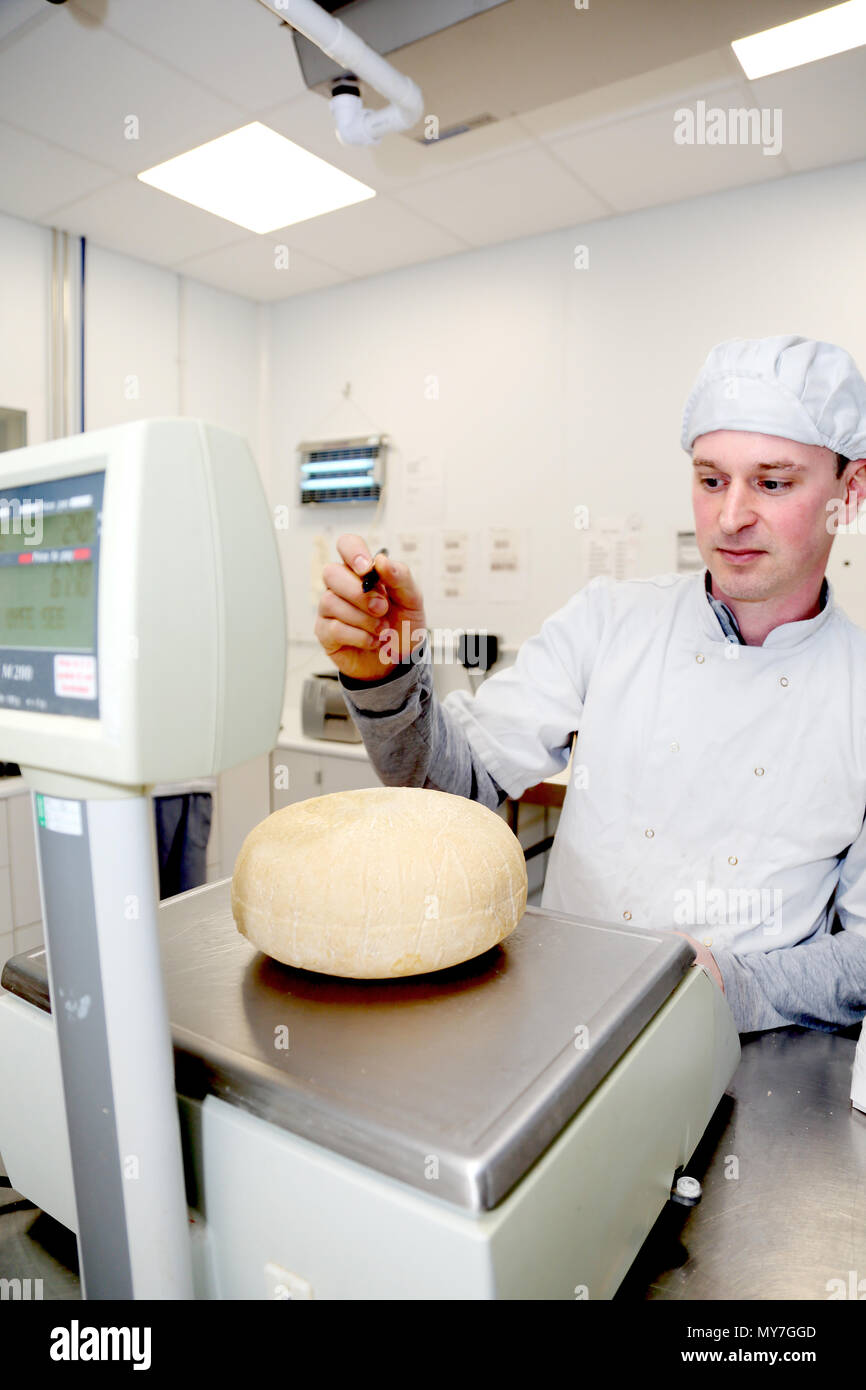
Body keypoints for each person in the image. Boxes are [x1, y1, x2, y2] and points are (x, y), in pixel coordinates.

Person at [315, 335, 866, 1034]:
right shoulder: (610, 620)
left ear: (849, 494)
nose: (730, 517)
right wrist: (388, 674)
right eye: (710, 479)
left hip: (754, 1060)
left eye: (773, 482)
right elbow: (451, 794)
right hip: (564, 1027)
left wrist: (725, 984)